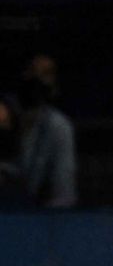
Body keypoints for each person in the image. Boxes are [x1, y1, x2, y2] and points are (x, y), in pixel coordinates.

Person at [5, 52, 76, 208]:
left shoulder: (58, 127)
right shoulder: (3, 115)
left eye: (45, 74)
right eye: (31, 71)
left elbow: (64, 195)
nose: (36, 78)